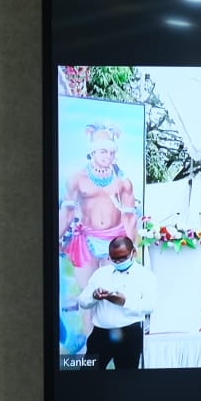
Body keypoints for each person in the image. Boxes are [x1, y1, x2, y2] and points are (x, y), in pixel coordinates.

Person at [60, 125, 139, 335]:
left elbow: (129, 216)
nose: (108, 156)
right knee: (87, 295)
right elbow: (67, 212)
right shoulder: (77, 179)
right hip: (86, 240)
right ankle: (90, 345)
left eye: (111, 152)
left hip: (115, 241)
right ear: (93, 151)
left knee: (114, 294)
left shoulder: (123, 181)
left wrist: (131, 246)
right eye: (104, 151)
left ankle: (113, 344)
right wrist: (56, 238)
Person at [76, 236, 157, 370]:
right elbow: (83, 302)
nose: (118, 262)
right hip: (100, 334)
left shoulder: (145, 276)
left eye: (122, 258)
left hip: (129, 335)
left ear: (133, 252)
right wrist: (94, 296)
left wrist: (124, 302)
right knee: (87, 376)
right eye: (114, 258)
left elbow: (150, 305)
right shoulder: (100, 273)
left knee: (126, 379)